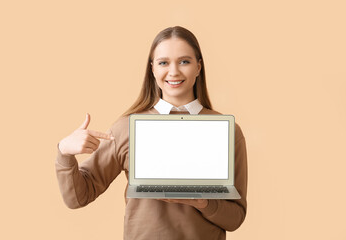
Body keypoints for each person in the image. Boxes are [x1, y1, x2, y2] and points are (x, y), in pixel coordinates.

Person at [55, 26, 248, 240]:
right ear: (152, 69)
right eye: (163, 62)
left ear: (199, 67)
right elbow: (78, 198)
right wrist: (65, 152)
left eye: (184, 61)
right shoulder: (127, 128)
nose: (173, 71)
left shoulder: (228, 132)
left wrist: (202, 202)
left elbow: (235, 218)